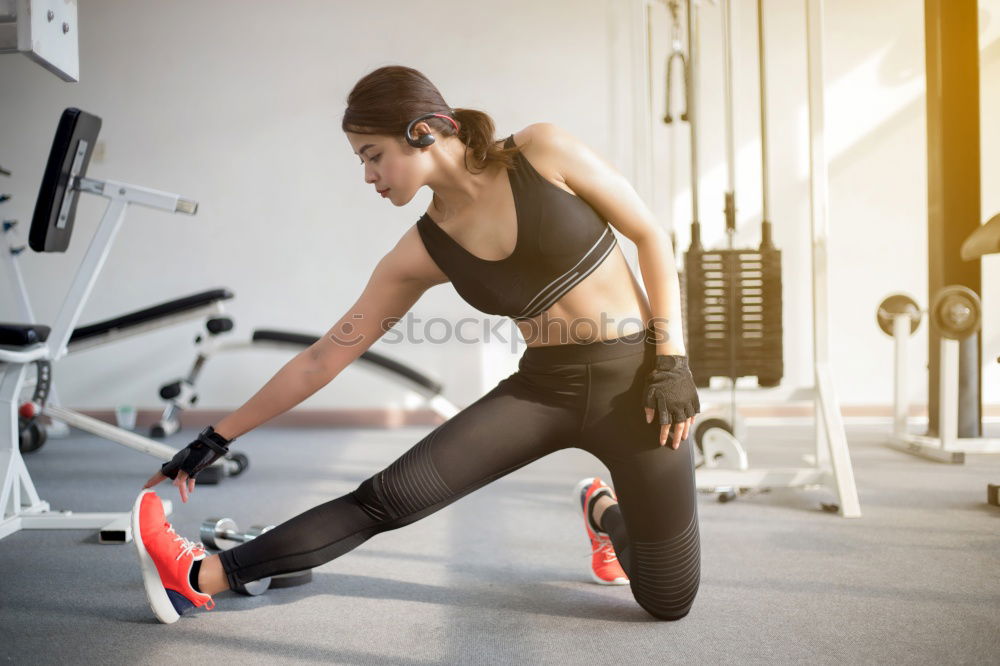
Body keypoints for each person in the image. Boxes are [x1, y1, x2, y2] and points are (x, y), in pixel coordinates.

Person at [132, 64, 701, 625]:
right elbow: (323, 357)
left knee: (667, 601)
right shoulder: (421, 250)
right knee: (384, 499)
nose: (368, 176)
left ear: (422, 131)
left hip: (643, 385)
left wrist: (672, 361)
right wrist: (216, 436)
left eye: (372, 155)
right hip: (545, 390)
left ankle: (603, 512)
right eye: (362, 161)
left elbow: (650, 234)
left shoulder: (541, 151)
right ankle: (197, 575)